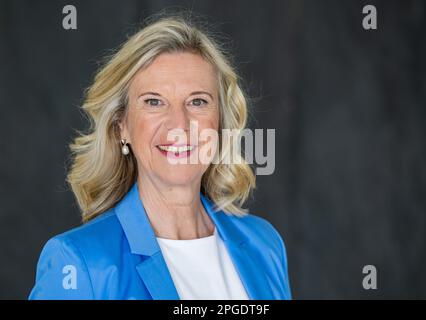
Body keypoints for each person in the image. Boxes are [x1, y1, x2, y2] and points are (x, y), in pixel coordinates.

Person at [29, 13, 292, 300]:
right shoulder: (79, 262)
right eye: (154, 102)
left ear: (220, 123)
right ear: (122, 126)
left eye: (197, 101)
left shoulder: (265, 244)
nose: (179, 124)